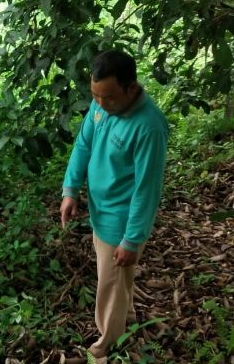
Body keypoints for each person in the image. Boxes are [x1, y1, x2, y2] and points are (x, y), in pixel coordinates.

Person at [59, 50, 168, 362]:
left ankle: (107, 340)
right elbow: (84, 144)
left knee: (108, 281)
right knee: (118, 276)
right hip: (99, 208)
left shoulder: (149, 127)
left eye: (107, 98)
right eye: (95, 96)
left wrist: (132, 239)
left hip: (120, 218)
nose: (100, 104)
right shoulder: (102, 104)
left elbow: (147, 189)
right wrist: (71, 189)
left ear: (131, 89)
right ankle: (127, 315)